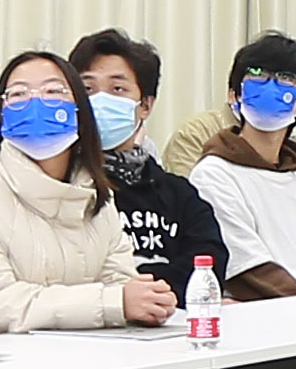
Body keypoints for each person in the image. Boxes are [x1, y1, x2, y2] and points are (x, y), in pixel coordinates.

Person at [0, 48, 172, 335]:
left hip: (52, 351)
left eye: (53, 91)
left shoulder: (94, 194)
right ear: (1, 114)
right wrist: (114, 303)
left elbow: (118, 281)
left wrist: (145, 301)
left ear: (81, 110)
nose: (36, 103)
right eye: (18, 94)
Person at [64, 30, 234, 294]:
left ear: (145, 105)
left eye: (117, 89)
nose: (100, 101)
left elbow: (208, 264)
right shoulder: (59, 185)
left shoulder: (178, 194)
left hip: (171, 315)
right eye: (87, 89)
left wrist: (143, 287)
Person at [193, 34, 296, 299]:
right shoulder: (213, 175)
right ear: (234, 95)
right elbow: (245, 270)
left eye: (286, 79)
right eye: (257, 76)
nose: (270, 87)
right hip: (266, 314)